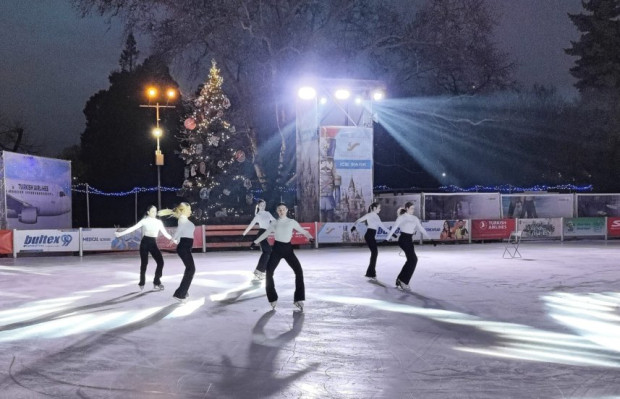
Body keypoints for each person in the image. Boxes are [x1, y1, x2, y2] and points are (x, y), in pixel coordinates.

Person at [253, 203, 314, 311]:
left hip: (288, 250)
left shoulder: (291, 222)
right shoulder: (275, 223)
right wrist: (255, 241)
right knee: (269, 271)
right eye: (279, 210)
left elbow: (303, 231)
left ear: (286, 210)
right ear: (277, 211)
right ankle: (272, 298)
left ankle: (298, 299)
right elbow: (266, 233)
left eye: (283, 209)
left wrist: (310, 237)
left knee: (299, 271)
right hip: (277, 249)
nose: (281, 211)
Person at [115, 205, 173, 291]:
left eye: (155, 211)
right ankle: (142, 282)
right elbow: (132, 228)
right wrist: (120, 234)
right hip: (145, 243)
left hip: (153, 243)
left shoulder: (158, 222)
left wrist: (173, 239)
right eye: (152, 211)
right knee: (144, 264)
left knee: (160, 262)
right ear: (148, 212)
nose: (154, 212)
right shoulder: (144, 221)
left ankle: (156, 282)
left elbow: (165, 233)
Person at [386, 201, 433, 291]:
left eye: (413, 208)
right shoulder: (402, 217)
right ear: (407, 208)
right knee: (413, 259)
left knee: (411, 260)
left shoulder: (415, 218)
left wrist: (430, 238)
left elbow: (421, 228)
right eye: (411, 208)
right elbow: (394, 228)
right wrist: (387, 239)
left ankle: (400, 279)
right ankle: (404, 281)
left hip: (409, 240)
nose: (413, 210)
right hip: (403, 239)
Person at [158, 203, 195, 303]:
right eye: (189, 209)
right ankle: (180, 294)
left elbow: (182, 232)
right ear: (183, 210)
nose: (191, 211)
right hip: (184, 247)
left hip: (185, 246)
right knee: (191, 269)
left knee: (189, 269)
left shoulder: (183, 219)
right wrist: (173, 239)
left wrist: (176, 240)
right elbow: (179, 230)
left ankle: (183, 291)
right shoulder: (182, 219)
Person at [350, 202, 391, 281]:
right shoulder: (371, 215)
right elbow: (382, 227)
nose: (380, 209)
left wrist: (354, 226)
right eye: (379, 208)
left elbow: (358, 220)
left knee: (374, 253)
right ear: (374, 208)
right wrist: (390, 233)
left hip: (370, 235)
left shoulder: (373, 216)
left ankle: (370, 272)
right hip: (369, 235)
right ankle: (371, 273)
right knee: (374, 253)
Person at [242, 199, 275, 280]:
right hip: (261, 234)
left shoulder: (268, 213)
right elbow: (251, 225)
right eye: (261, 205)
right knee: (268, 251)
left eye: (264, 205)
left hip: (265, 234)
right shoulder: (258, 215)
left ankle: (259, 271)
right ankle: (260, 271)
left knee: (266, 252)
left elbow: (275, 221)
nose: (263, 206)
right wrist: (244, 234)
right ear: (258, 206)